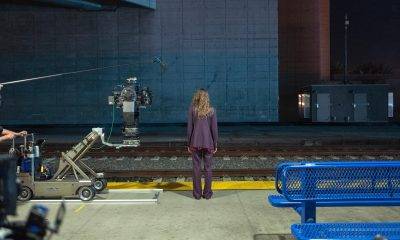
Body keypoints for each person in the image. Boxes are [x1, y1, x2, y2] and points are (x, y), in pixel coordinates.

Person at [187, 89, 218, 200]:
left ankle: (197, 194)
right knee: (208, 169)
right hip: (208, 143)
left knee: (196, 168)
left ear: (197, 97)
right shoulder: (212, 110)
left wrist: (189, 143)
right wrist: (215, 144)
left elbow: (190, 128)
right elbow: (214, 129)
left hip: (195, 143)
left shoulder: (192, 110)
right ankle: (207, 194)